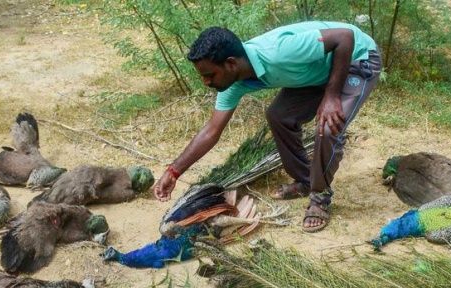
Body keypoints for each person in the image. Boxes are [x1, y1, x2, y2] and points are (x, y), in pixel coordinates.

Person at [153, 21, 381, 232]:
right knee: (279, 115)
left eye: (209, 75)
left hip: (356, 58)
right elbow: (212, 130)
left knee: (329, 125)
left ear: (231, 63)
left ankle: (319, 198)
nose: (206, 82)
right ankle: (305, 181)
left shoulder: (280, 52)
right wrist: (174, 171)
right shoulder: (235, 83)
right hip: (318, 72)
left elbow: (344, 37)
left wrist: (331, 96)